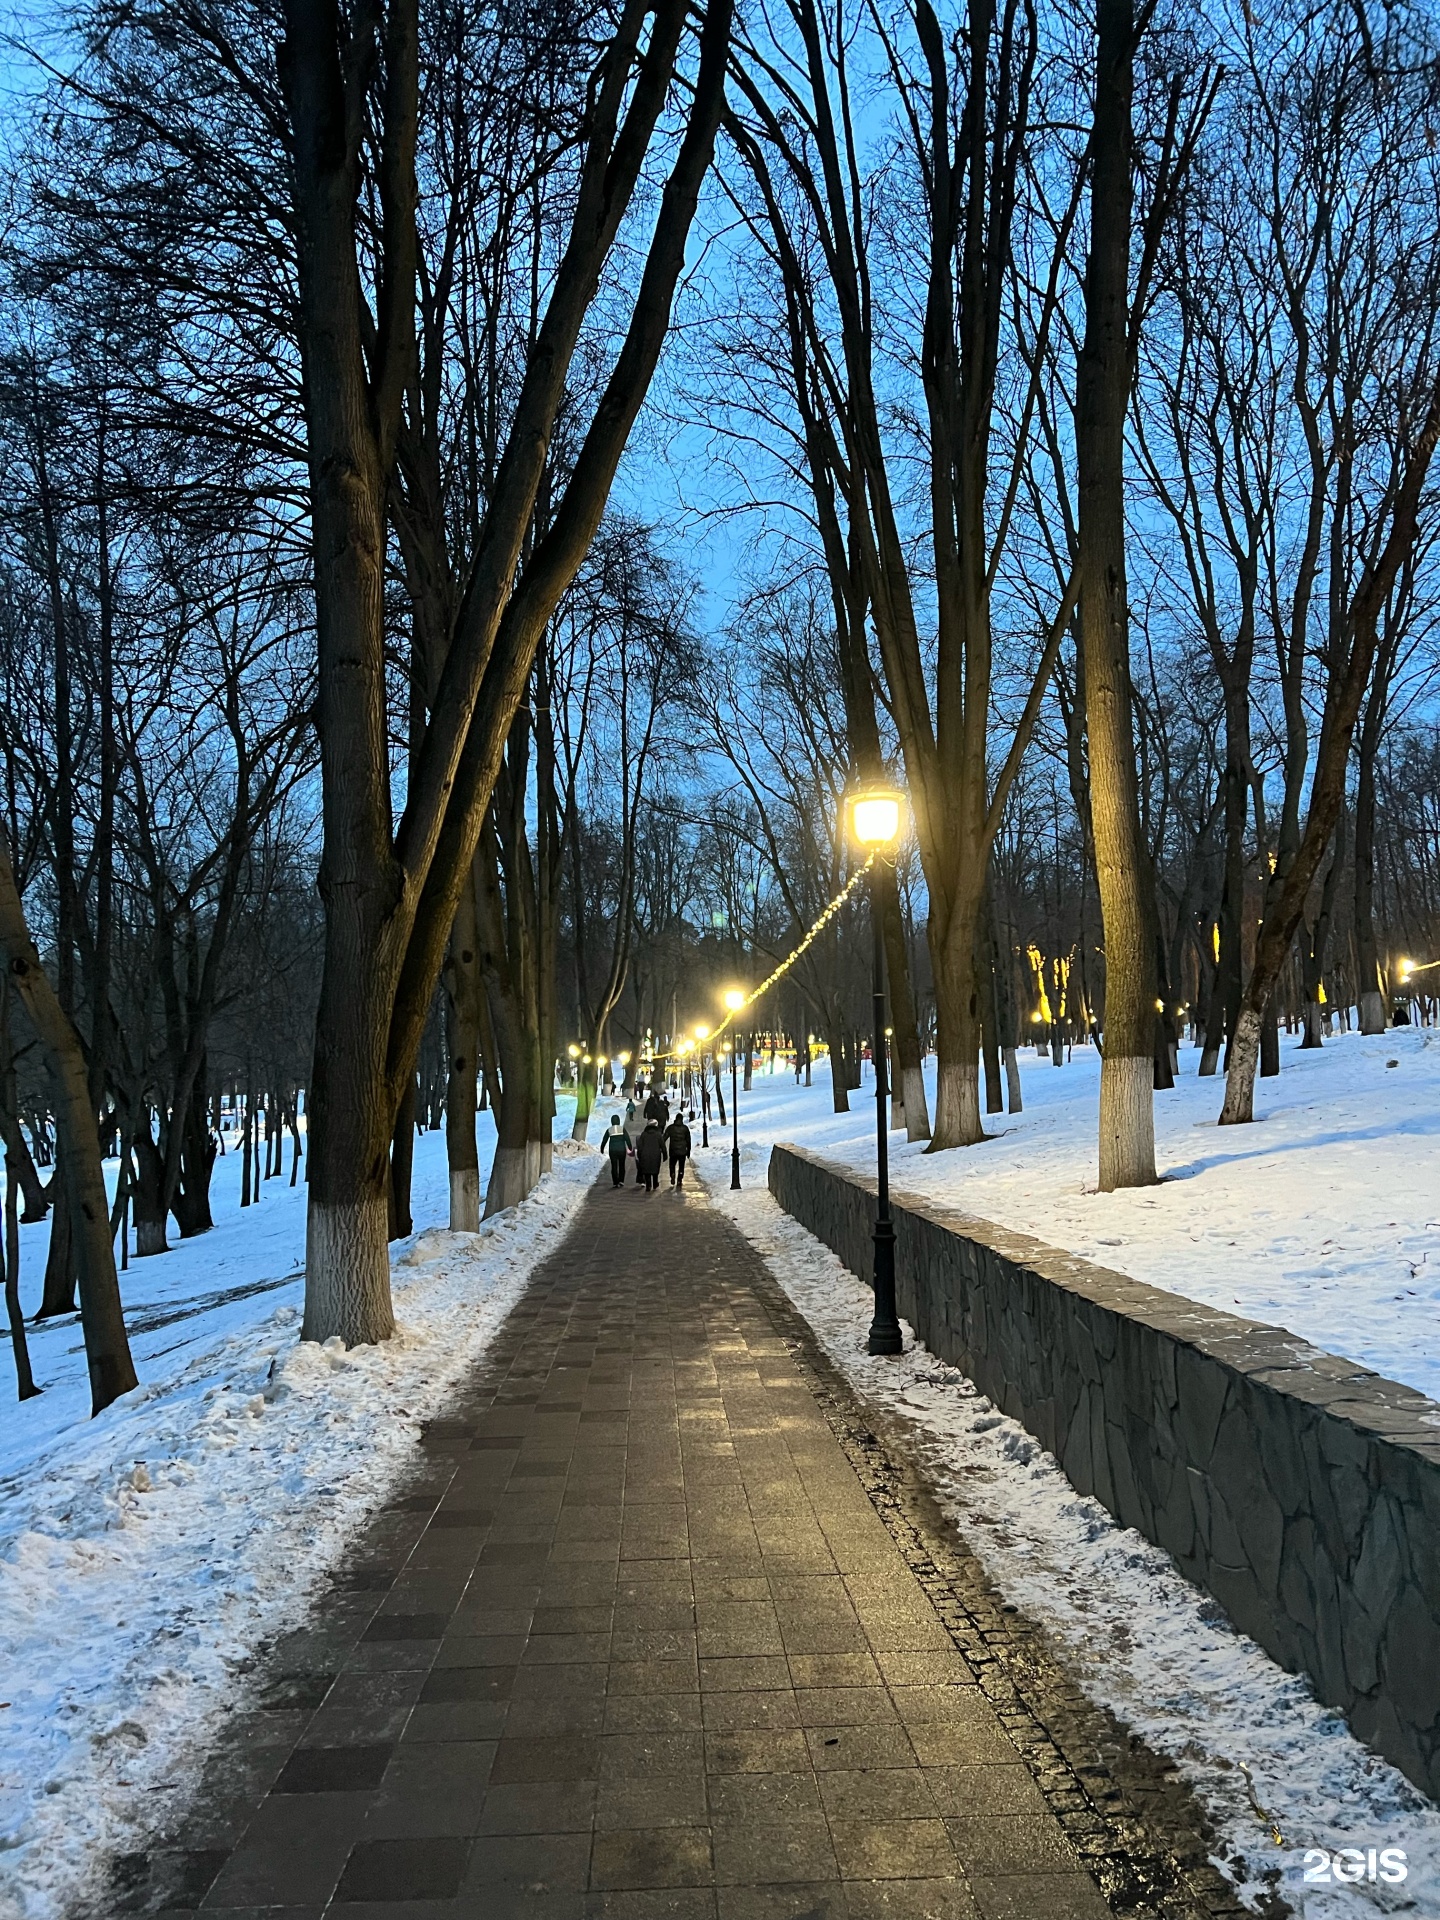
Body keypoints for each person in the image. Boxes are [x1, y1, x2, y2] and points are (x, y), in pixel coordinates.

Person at [635, 1116, 665, 1193]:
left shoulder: (644, 1134)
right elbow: (662, 1145)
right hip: (656, 1155)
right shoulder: (658, 1134)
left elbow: (640, 1146)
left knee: (647, 1170)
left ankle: (648, 1185)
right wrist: (665, 1154)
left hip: (645, 1155)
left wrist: (639, 1155)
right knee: (655, 1170)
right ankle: (655, 1183)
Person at [663, 1112, 692, 1189]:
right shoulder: (685, 1129)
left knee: (672, 1165)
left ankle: (672, 1174)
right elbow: (688, 1141)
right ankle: (679, 1180)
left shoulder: (671, 1128)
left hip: (673, 1150)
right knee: (681, 1166)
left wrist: (660, 1147)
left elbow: (664, 1138)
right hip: (682, 1151)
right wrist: (688, 1151)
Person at [602, 1115, 628, 1188]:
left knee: (614, 1166)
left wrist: (602, 1148)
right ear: (619, 1121)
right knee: (622, 1165)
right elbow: (627, 1139)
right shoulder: (622, 1129)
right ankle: (621, 1181)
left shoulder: (609, 1130)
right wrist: (630, 1147)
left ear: (612, 1121)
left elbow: (604, 1140)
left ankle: (615, 1182)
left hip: (613, 1150)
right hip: (622, 1150)